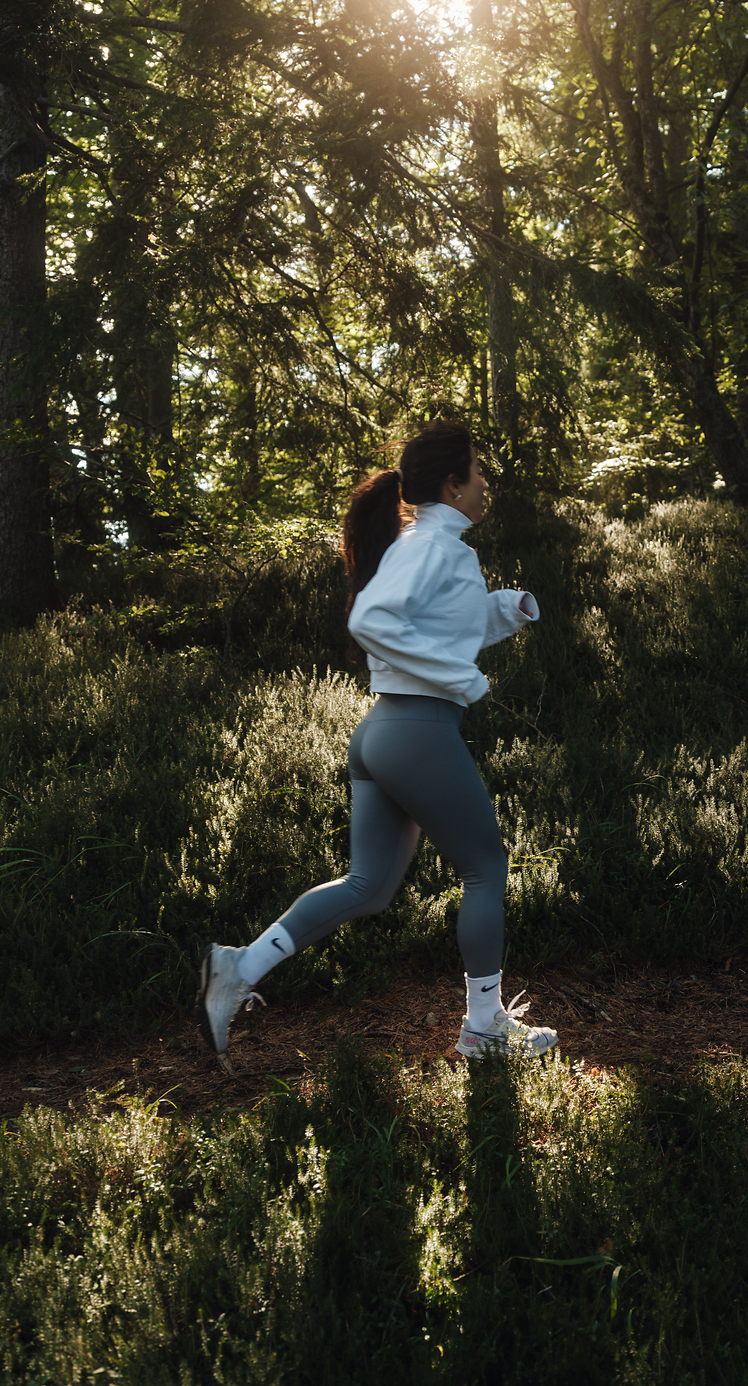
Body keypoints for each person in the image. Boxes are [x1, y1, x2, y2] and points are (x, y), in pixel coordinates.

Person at [196, 419, 558, 1070]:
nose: (486, 485)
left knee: (368, 886)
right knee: (485, 870)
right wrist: (459, 678)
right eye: (477, 473)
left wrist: (509, 608)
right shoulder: (434, 547)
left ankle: (238, 967)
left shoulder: (427, 545)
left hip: (384, 733)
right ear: (452, 485)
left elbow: (447, 629)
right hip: (417, 731)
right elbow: (371, 620)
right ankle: (483, 1030)